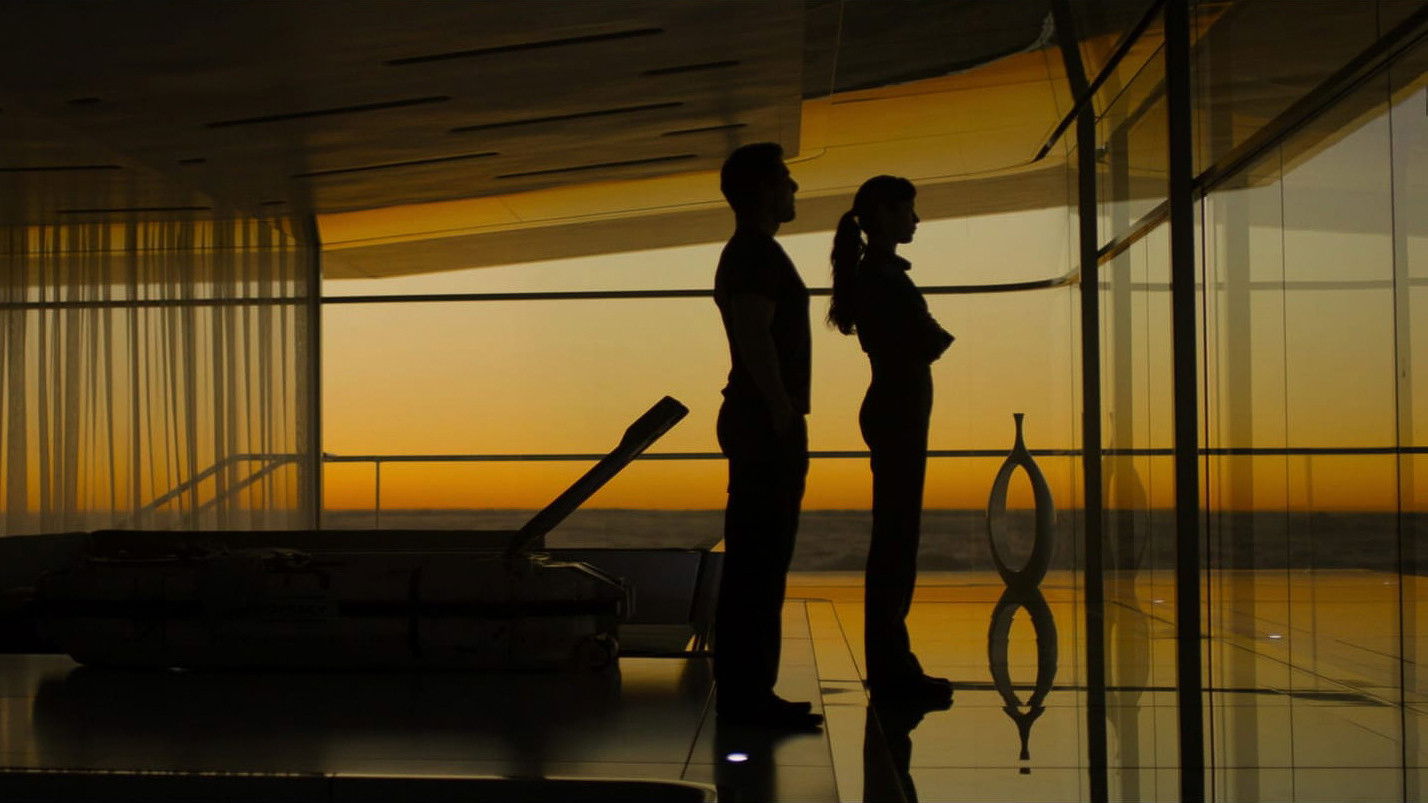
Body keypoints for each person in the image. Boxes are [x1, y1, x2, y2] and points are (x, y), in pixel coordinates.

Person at [828, 175, 955, 706]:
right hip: (898, 411)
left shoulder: (875, 274)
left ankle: (893, 663)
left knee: (896, 539)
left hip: (895, 409)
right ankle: (892, 667)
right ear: (883, 213)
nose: (916, 220)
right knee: (896, 543)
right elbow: (929, 340)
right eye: (907, 210)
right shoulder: (882, 277)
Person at [711, 142, 822, 730]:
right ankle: (748, 695)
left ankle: (748, 690)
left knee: (757, 560)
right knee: (760, 560)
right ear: (762, 191)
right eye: (784, 179)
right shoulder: (754, 255)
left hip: (758, 417)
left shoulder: (752, 253)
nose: (793, 188)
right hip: (763, 420)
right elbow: (754, 335)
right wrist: (780, 406)